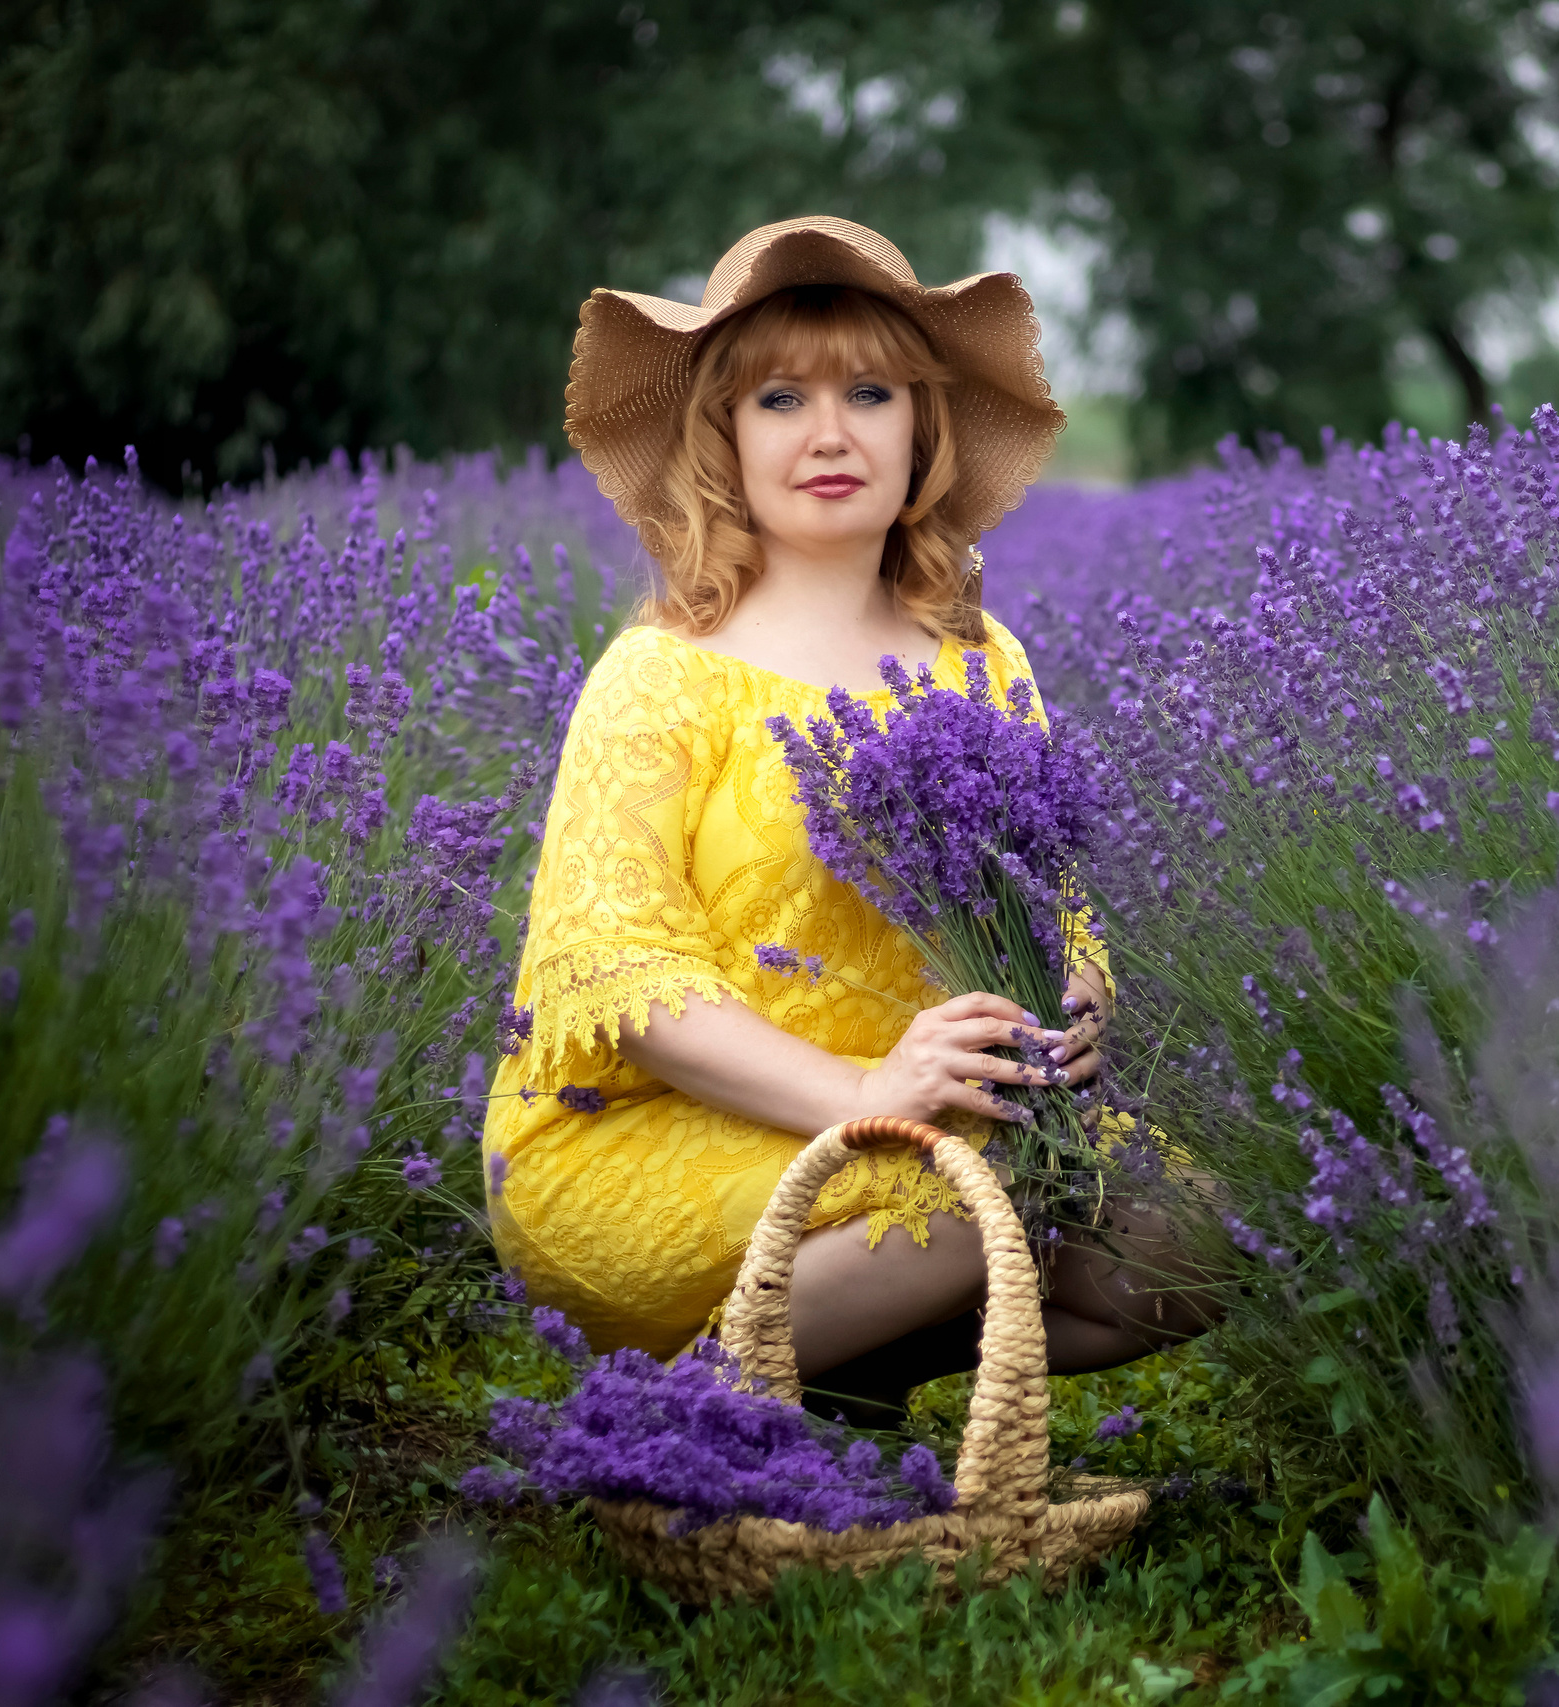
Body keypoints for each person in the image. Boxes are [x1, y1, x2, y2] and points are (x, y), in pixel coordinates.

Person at [482, 217, 1211, 1420]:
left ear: (919, 425)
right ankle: (673, 1422)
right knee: (991, 1190)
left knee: (1201, 1241)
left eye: (868, 393)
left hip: (929, 1130)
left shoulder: (982, 659)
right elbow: (623, 984)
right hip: (657, 1140)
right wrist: (870, 1090)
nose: (829, 434)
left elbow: (1047, 889)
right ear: (723, 435)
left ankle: (842, 1360)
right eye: (780, 399)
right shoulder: (664, 672)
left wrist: (1077, 990)